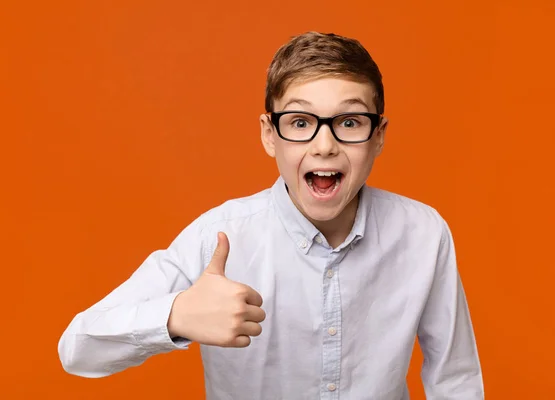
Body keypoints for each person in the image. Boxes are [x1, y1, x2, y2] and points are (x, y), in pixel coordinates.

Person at [58, 31, 484, 399]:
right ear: (269, 134)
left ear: (378, 136)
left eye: (350, 122)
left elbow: (455, 379)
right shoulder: (220, 236)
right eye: (300, 122)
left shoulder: (424, 234)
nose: (324, 146)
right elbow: (77, 348)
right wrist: (177, 316)